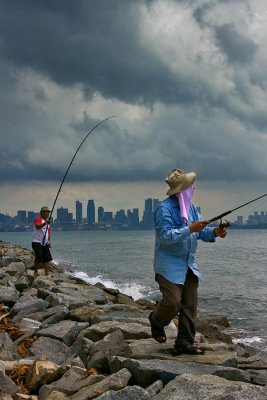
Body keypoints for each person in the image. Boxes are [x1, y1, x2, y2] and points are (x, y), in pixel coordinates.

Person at [149, 168, 227, 356]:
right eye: (191, 186)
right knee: (173, 302)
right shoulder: (164, 208)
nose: (194, 189)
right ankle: (156, 321)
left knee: (190, 304)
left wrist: (215, 232)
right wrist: (189, 229)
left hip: (188, 265)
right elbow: (165, 236)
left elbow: (202, 231)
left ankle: (184, 342)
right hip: (168, 265)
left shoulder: (191, 208)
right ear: (182, 190)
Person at [32, 206, 52, 276]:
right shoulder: (38, 219)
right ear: (42, 213)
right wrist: (45, 223)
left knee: (47, 258)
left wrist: (49, 241)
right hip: (36, 242)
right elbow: (37, 227)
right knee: (39, 257)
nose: (47, 214)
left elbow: (48, 232)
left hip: (45, 243)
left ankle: (47, 274)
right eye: (46, 212)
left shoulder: (48, 222)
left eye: (48, 212)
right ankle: (35, 272)